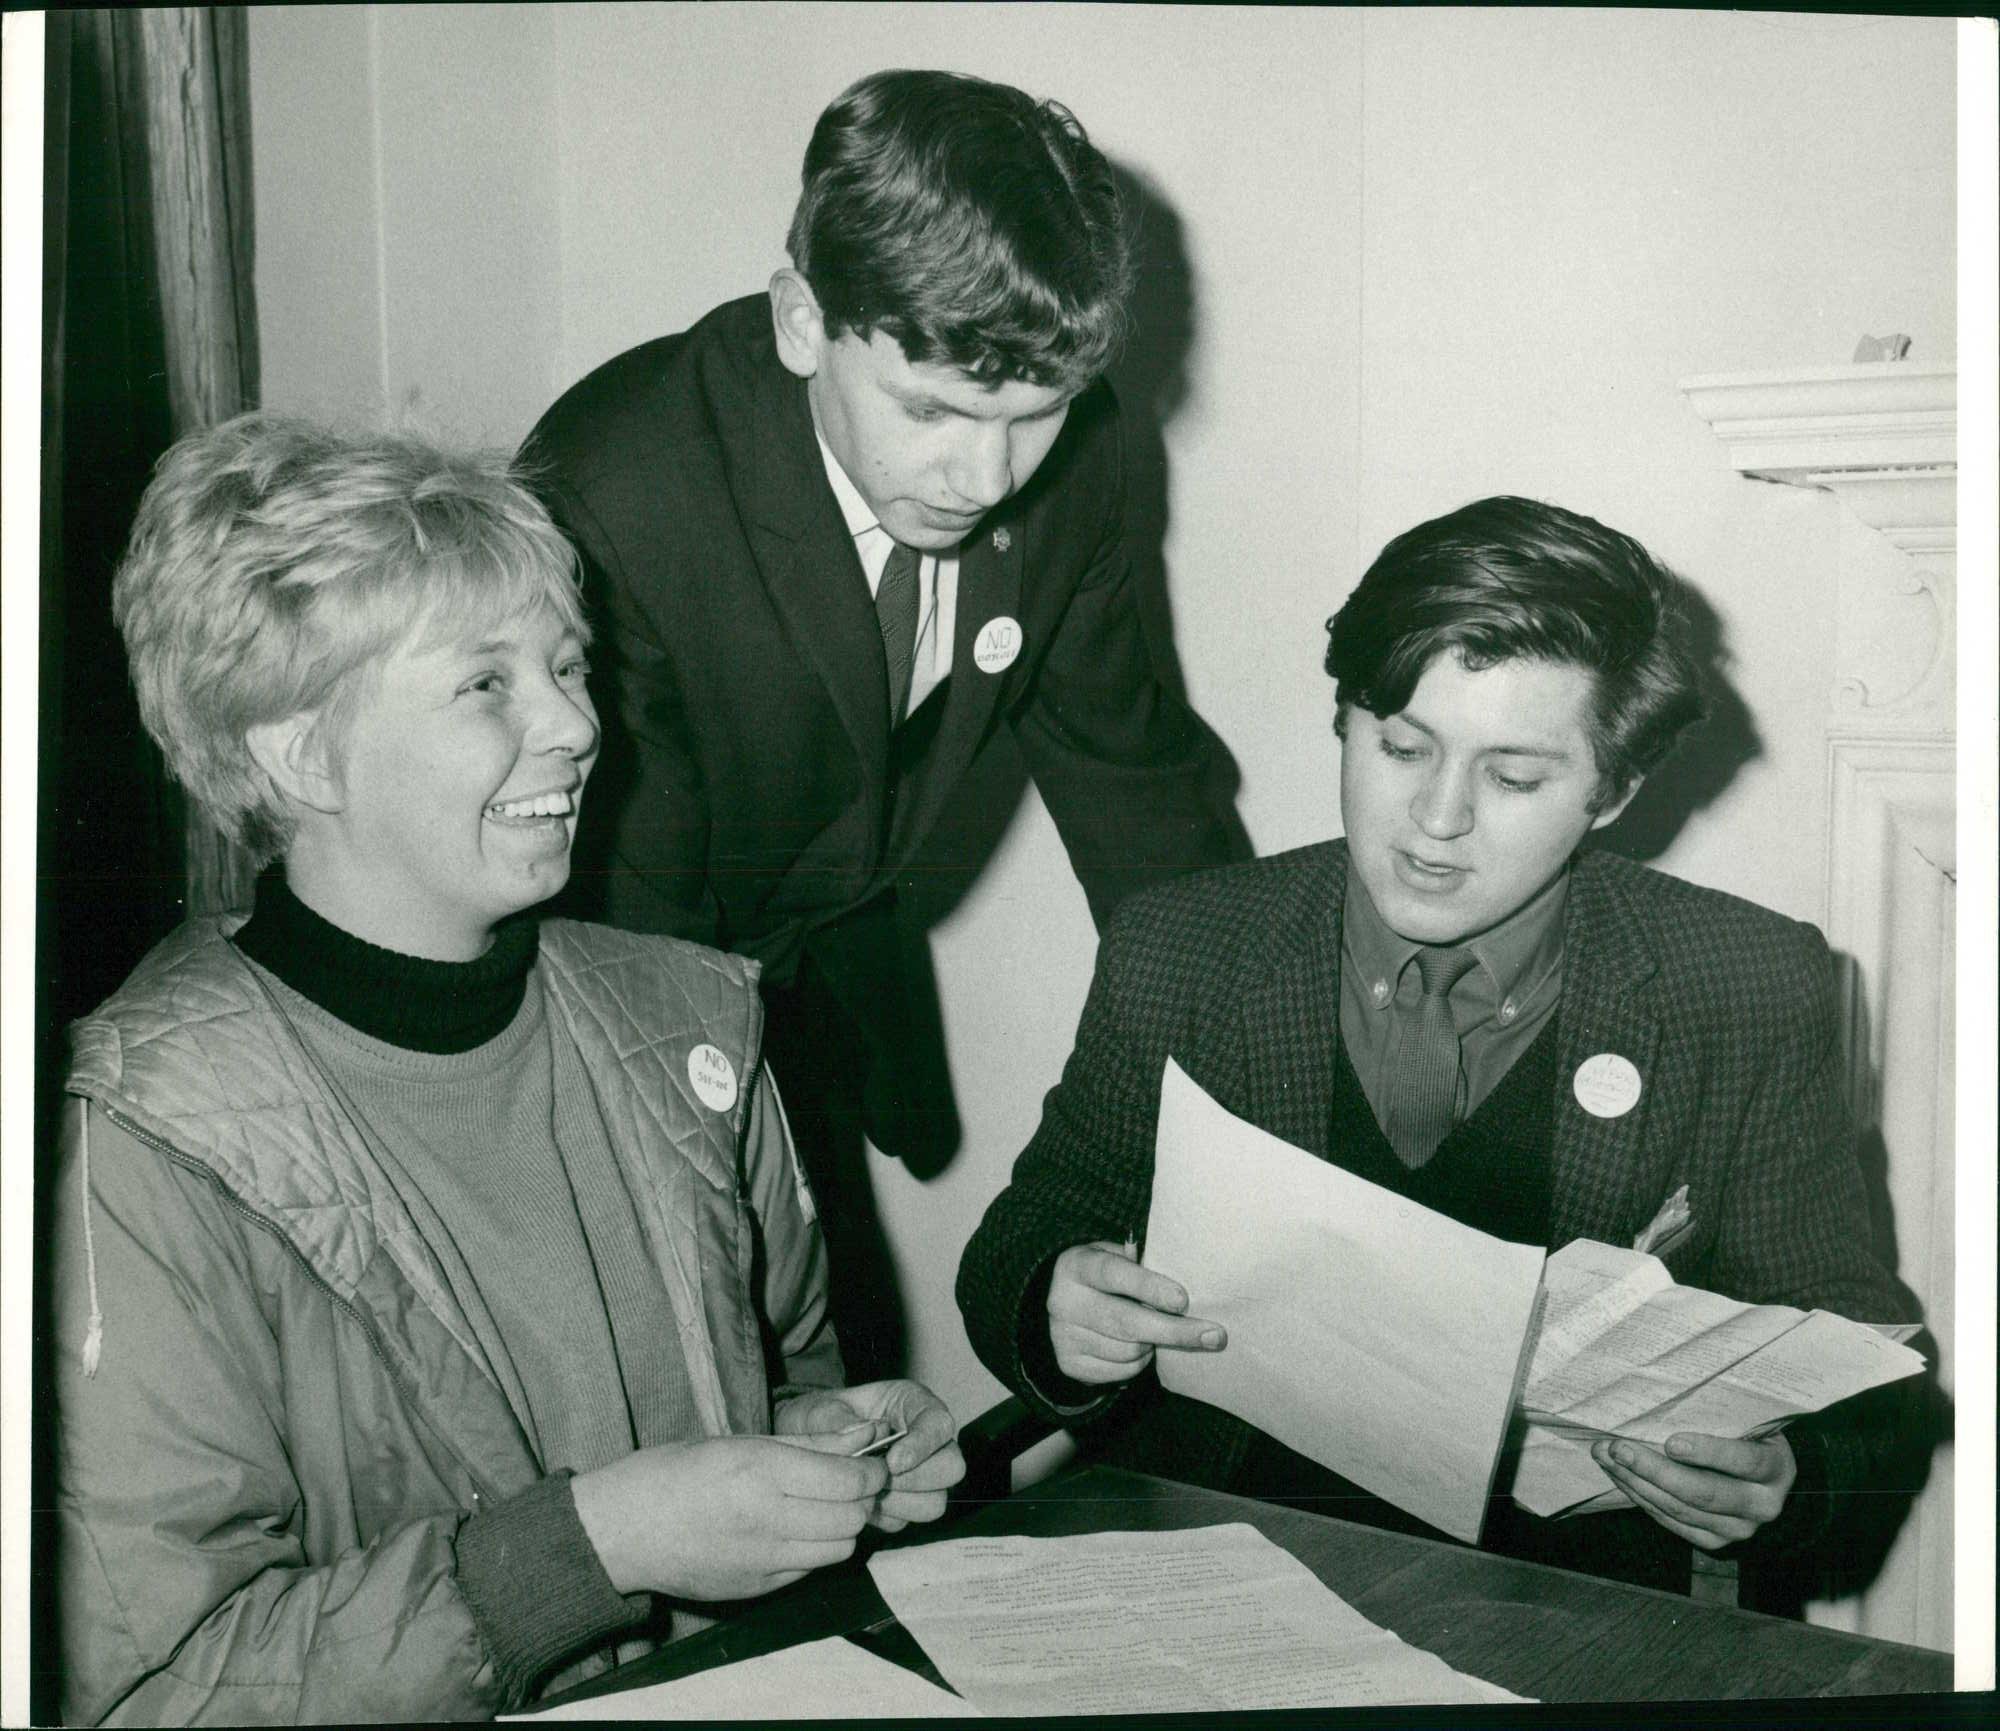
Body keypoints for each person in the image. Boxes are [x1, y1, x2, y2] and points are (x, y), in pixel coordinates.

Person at [51, 415, 964, 1725]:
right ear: (299, 752)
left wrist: (816, 1454)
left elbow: (783, 1369)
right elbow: (153, 1688)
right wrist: (591, 1548)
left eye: (567, 663)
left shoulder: (691, 1023)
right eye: (487, 683)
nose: (576, 724)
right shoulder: (142, 1138)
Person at [956, 495, 1918, 1596]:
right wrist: (1056, 1304)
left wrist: (1791, 1475)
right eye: (1401, 746)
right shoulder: (1184, 945)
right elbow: (1028, 1231)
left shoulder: (1744, 983)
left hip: (1558, 1604)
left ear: (1612, 791)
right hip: (1218, 1565)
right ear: (1344, 722)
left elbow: (1855, 1357)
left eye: (1513, 777)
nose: (1437, 817)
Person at [521, 68, 1244, 1377]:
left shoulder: (1077, 458)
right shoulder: (616, 497)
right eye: (932, 410)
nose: (986, 476)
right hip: (611, 998)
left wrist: (1246, 1110)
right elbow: (631, 953)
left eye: (1030, 416)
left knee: (847, 1367)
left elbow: (1138, 790)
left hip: (816, 972)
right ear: (803, 322)